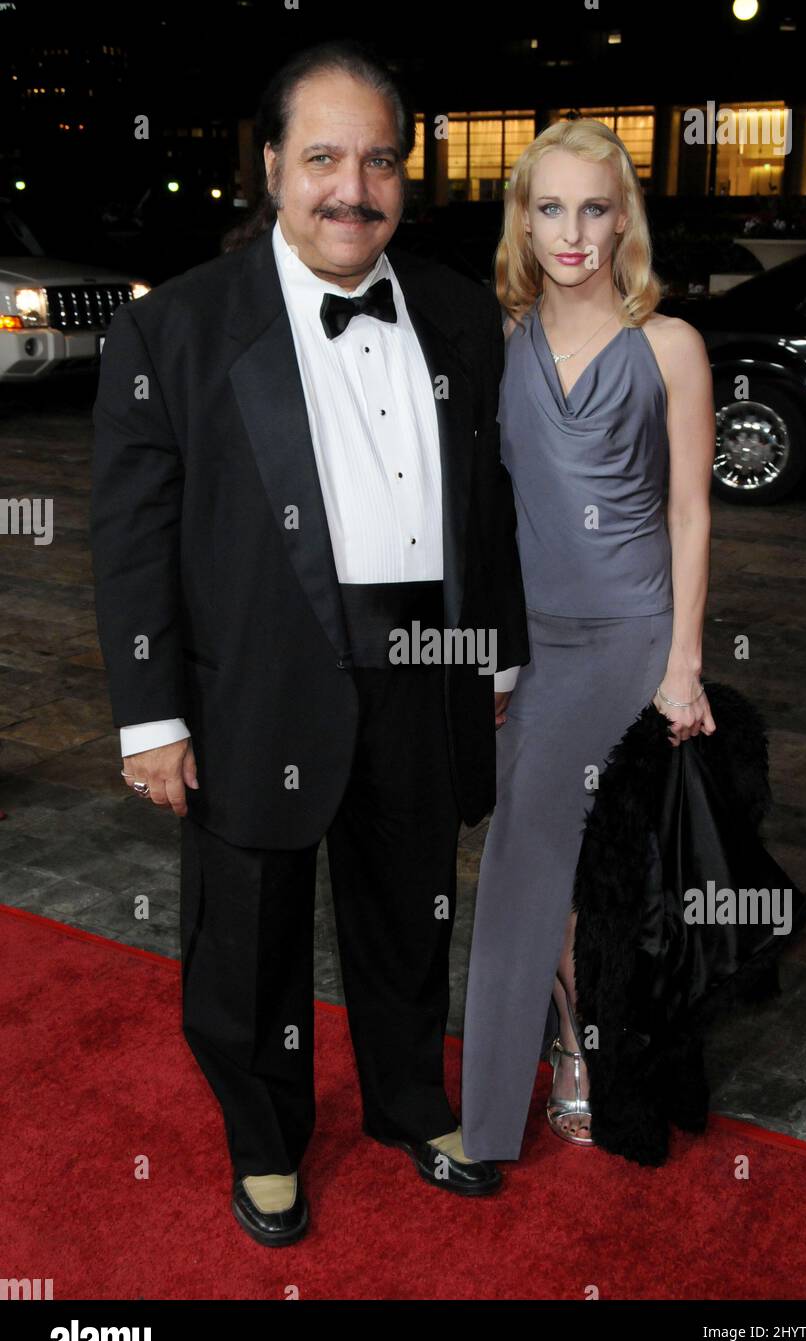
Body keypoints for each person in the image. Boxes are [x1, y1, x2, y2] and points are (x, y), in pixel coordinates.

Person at [90, 40, 529, 1246]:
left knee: (408, 912)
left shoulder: (451, 312)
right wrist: (150, 716)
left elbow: (484, 506)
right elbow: (132, 541)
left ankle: (408, 1101)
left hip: (424, 673)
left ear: (405, 174)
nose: (353, 187)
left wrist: (494, 654)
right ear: (273, 164)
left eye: (378, 159)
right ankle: (266, 1143)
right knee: (248, 939)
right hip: (255, 686)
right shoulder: (175, 329)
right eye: (324, 156)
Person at [460, 117, 716, 1161]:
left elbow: (688, 513)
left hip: (628, 636)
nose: (572, 232)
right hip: (533, 642)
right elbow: (480, 513)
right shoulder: (499, 341)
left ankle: (562, 1058)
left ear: (624, 219)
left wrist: (682, 662)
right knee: (533, 862)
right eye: (549, 207)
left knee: (567, 863)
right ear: (523, 218)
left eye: (594, 208)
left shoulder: (669, 346)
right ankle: (558, 1045)